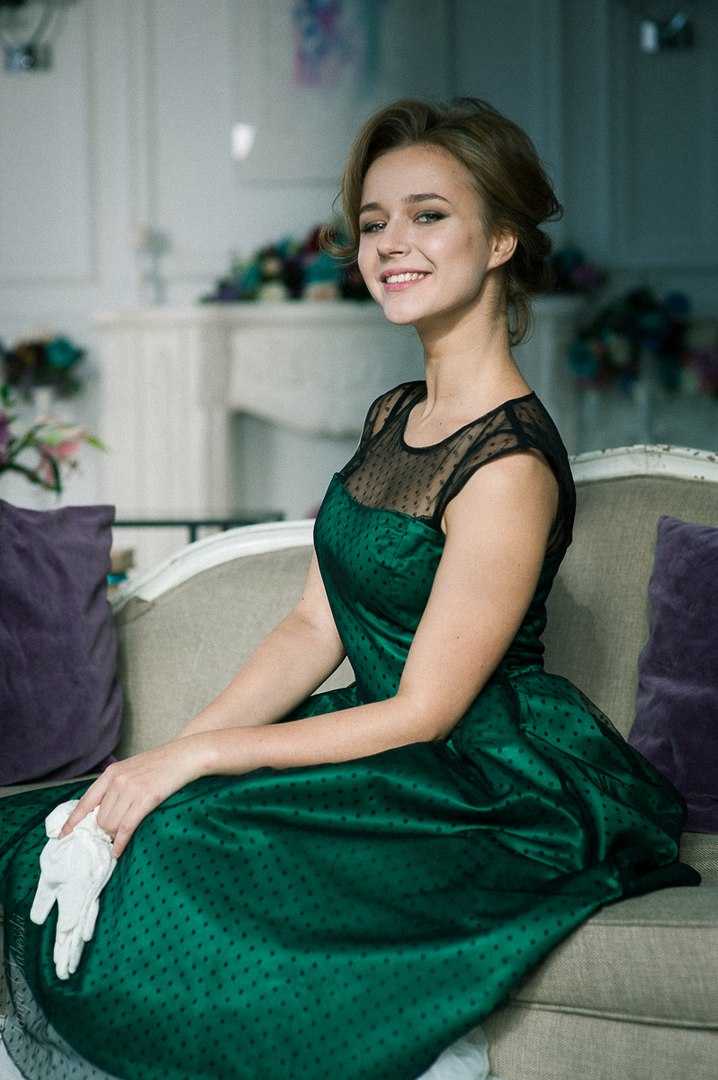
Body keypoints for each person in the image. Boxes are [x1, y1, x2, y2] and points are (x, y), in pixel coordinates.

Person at [0, 96, 701, 1080]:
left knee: (186, 849)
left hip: (479, 774)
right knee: (68, 822)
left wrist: (197, 763)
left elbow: (424, 710)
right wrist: (162, 762)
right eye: (374, 223)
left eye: (427, 215)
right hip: (381, 742)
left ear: (501, 239)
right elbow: (308, 625)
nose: (390, 244)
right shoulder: (394, 415)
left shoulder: (508, 463)